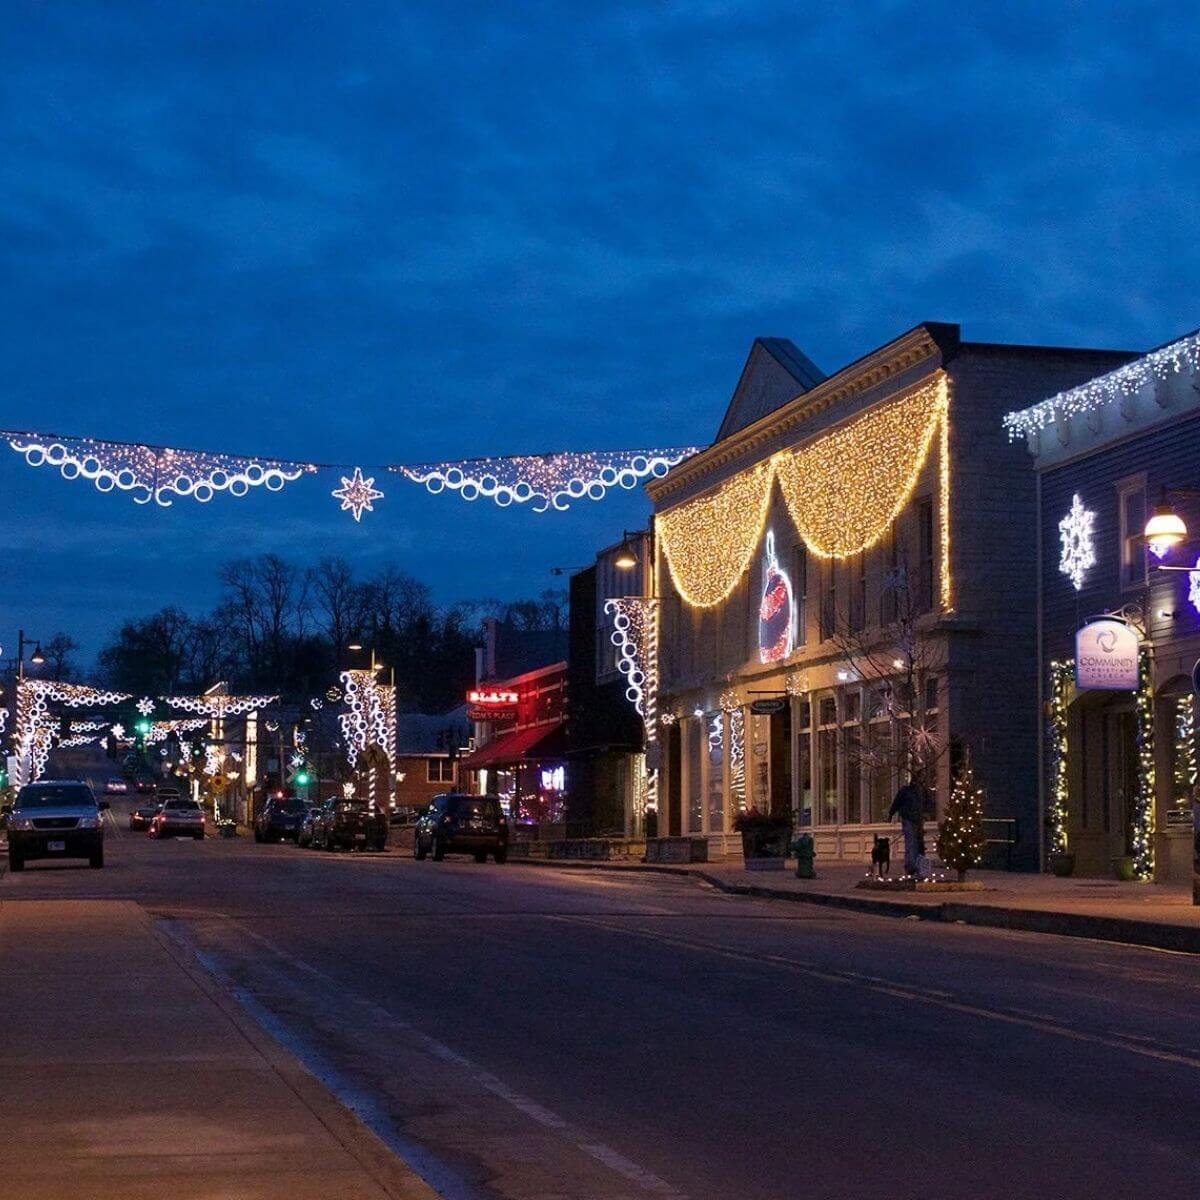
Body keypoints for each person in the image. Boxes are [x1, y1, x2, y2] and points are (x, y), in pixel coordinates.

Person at [889, 770, 932, 877]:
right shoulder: (906, 790)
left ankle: (918, 866)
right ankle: (911, 866)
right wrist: (891, 814)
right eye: (920, 778)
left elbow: (928, 803)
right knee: (911, 842)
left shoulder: (922, 791)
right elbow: (896, 802)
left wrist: (926, 813)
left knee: (918, 842)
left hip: (918, 819)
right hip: (908, 818)